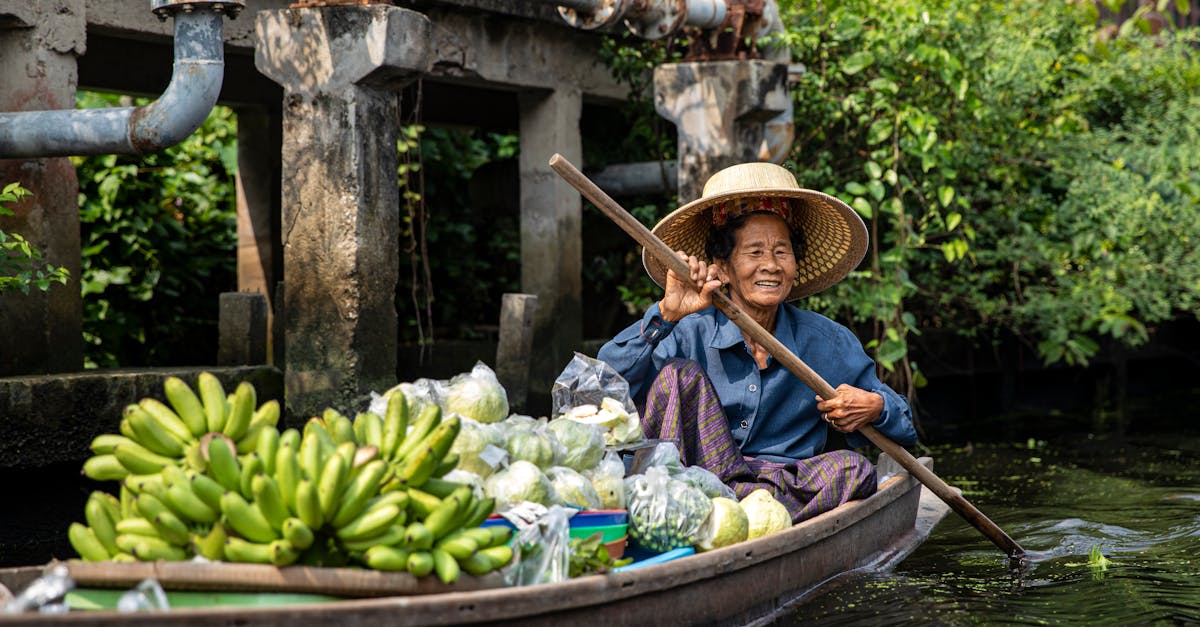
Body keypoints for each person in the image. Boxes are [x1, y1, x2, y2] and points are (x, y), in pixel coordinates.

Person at [597, 162, 918, 523]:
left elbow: (905, 426)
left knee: (854, 469)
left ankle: (748, 514)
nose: (770, 265)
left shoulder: (826, 341)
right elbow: (602, 389)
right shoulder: (687, 331)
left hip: (780, 486)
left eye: (782, 252)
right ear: (722, 265)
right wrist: (666, 315)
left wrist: (874, 407)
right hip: (694, 482)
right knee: (677, 377)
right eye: (754, 253)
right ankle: (709, 509)